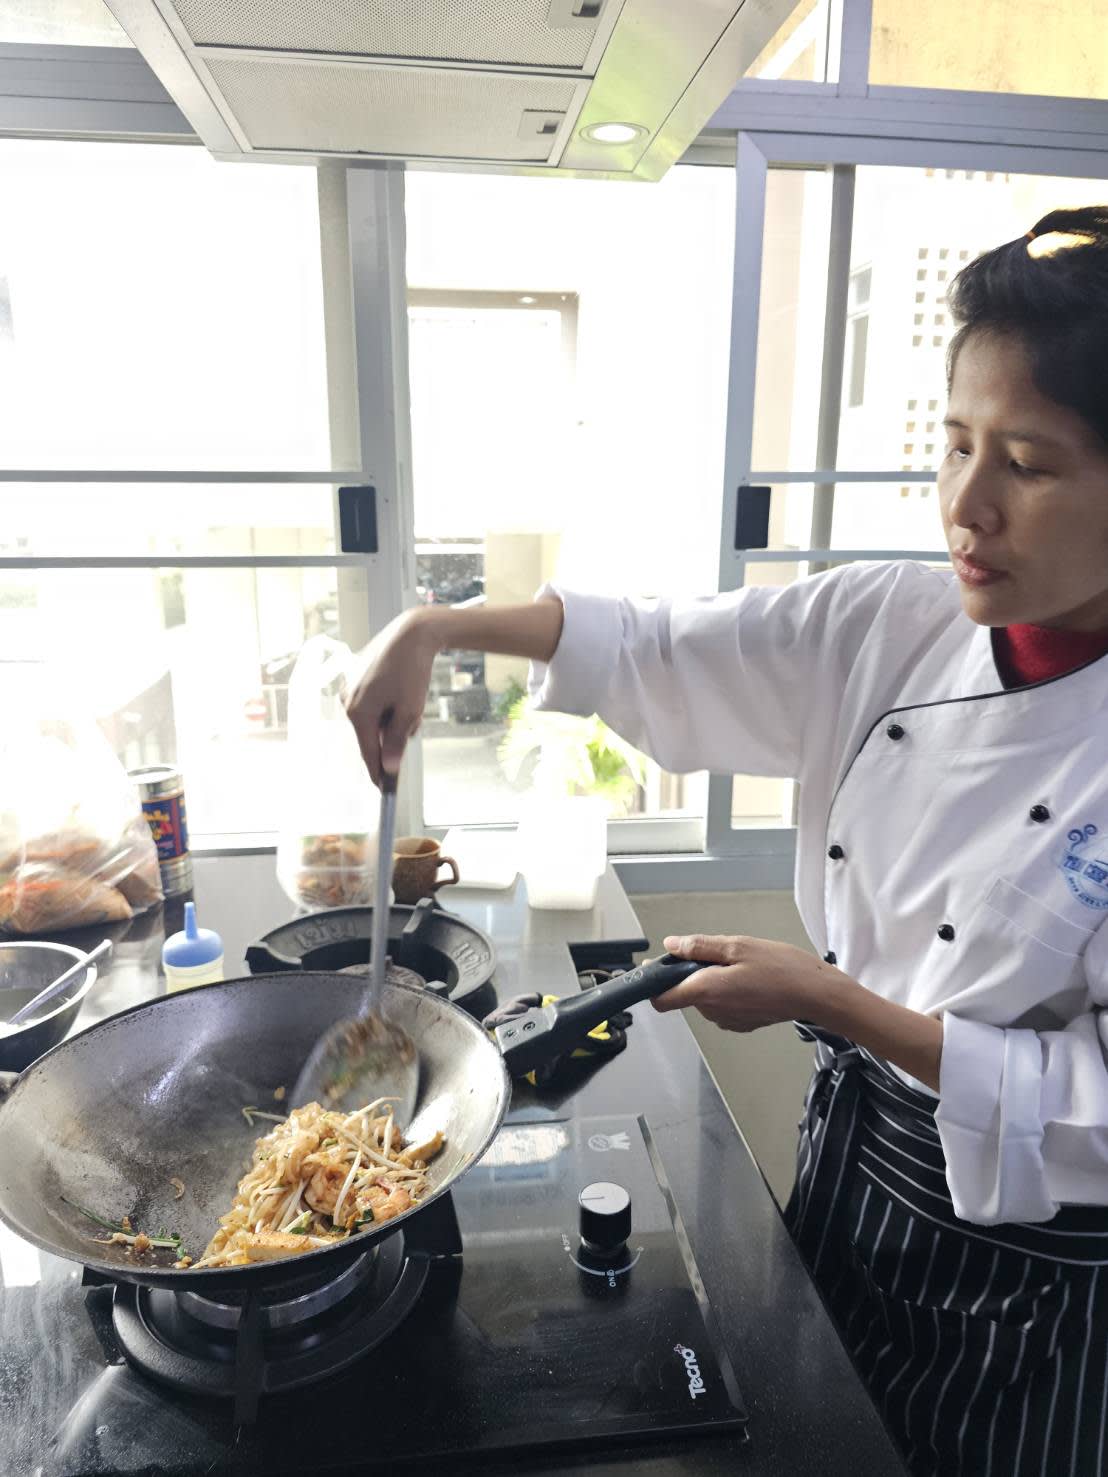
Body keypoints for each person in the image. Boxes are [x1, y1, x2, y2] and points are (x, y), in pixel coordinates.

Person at [345, 206, 1108, 1476]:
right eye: (954, 445)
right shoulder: (892, 622)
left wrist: (834, 1001)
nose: (965, 506)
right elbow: (656, 644)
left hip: (1030, 1265)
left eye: (1026, 464)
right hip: (860, 1165)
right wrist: (434, 628)